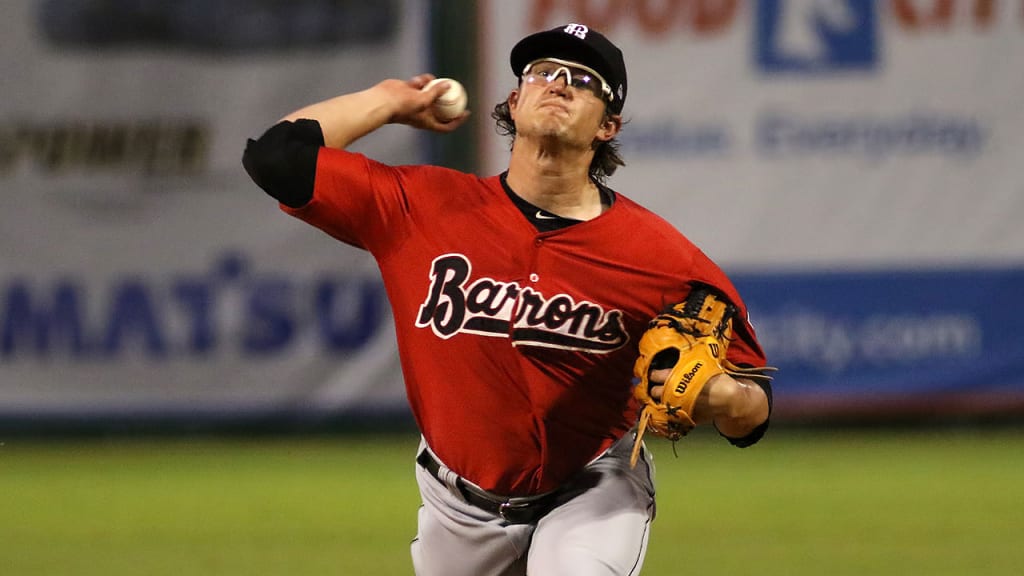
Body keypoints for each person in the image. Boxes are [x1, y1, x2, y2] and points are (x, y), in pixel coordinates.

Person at [242, 22, 772, 576]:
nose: (559, 84)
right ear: (515, 102)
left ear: (608, 126)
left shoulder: (664, 259)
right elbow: (274, 156)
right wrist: (386, 101)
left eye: (584, 81)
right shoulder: (418, 208)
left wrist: (729, 400)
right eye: (542, 72)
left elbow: (754, 404)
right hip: (456, 505)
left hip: (591, 490)